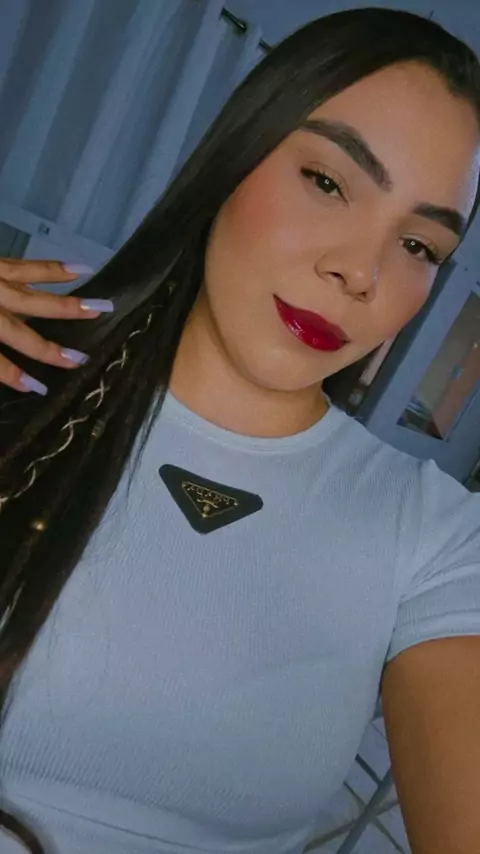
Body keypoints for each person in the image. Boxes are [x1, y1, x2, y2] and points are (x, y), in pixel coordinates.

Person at [0, 6, 479, 853]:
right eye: (327, 182)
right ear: (234, 156)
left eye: (418, 245)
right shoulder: (22, 378)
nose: (359, 271)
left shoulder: (433, 538)